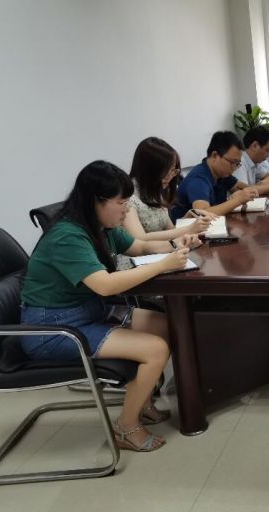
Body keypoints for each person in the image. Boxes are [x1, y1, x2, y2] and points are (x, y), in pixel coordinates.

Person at [20, 161, 202, 451]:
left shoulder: (101, 226)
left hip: (89, 311)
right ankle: (126, 428)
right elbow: (104, 285)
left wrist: (177, 245)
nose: (126, 210)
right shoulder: (68, 236)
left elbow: (139, 247)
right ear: (96, 201)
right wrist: (163, 265)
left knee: (166, 326)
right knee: (155, 349)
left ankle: (141, 403)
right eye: (121, 203)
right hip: (52, 328)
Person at [121, 137, 215, 263]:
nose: (170, 176)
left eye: (173, 170)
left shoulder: (154, 189)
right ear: (149, 170)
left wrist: (186, 219)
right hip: (139, 261)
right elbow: (139, 239)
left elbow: (170, 230)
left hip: (162, 254)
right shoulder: (127, 196)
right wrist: (188, 229)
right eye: (166, 171)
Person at [169, 131, 260, 222]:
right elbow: (202, 213)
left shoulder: (222, 173)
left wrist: (248, 192)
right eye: (232, 162)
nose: (234, 168)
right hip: (184, 228)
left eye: (237, 164)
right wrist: (238, 200)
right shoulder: (198, 179)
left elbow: (242, 187)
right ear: (215, 155)